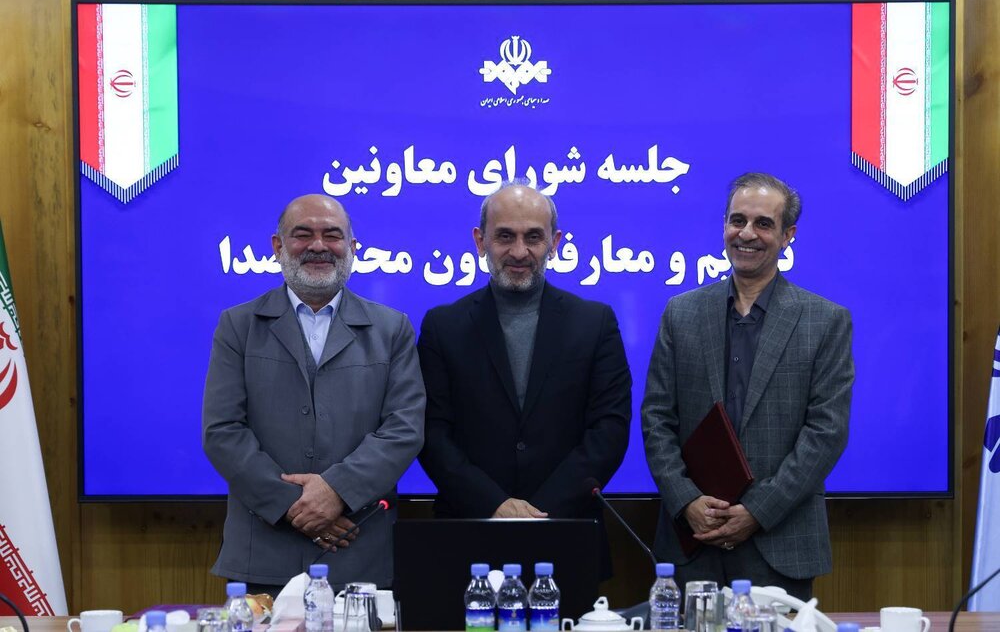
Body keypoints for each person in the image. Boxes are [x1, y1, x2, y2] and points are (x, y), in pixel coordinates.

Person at [641, 172, 854, 600]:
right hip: (692, 542)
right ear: (724, 225)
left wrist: (757, 510)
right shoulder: (681, 313)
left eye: (763, 224)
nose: (747, 234)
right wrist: (687, 501)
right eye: (737, 220)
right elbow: (656, 418)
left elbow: (826, 433)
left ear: (788, 235)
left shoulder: (826, 321)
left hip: (779, 543)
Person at [202, 194, 425, 596]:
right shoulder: (238, 326)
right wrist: (295, 505)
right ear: (278, 246)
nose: (318, 246)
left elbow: (404, 430)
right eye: (302, 234)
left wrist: (336, 492)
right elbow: (223, 431)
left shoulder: (392, 329)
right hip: (263, 555)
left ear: (352, 247)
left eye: (332, 235)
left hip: (359, 552)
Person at [417, 181, 631, 577]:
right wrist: (494, 504)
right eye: (505, 236)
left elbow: (609, 432)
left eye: (533, 237)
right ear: (480, 241)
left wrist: (537, 512)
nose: (519, 251)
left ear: (555, 242)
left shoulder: (595, 322)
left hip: (567, 533)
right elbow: (432, 434)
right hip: (467, 532)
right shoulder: (442, 326)